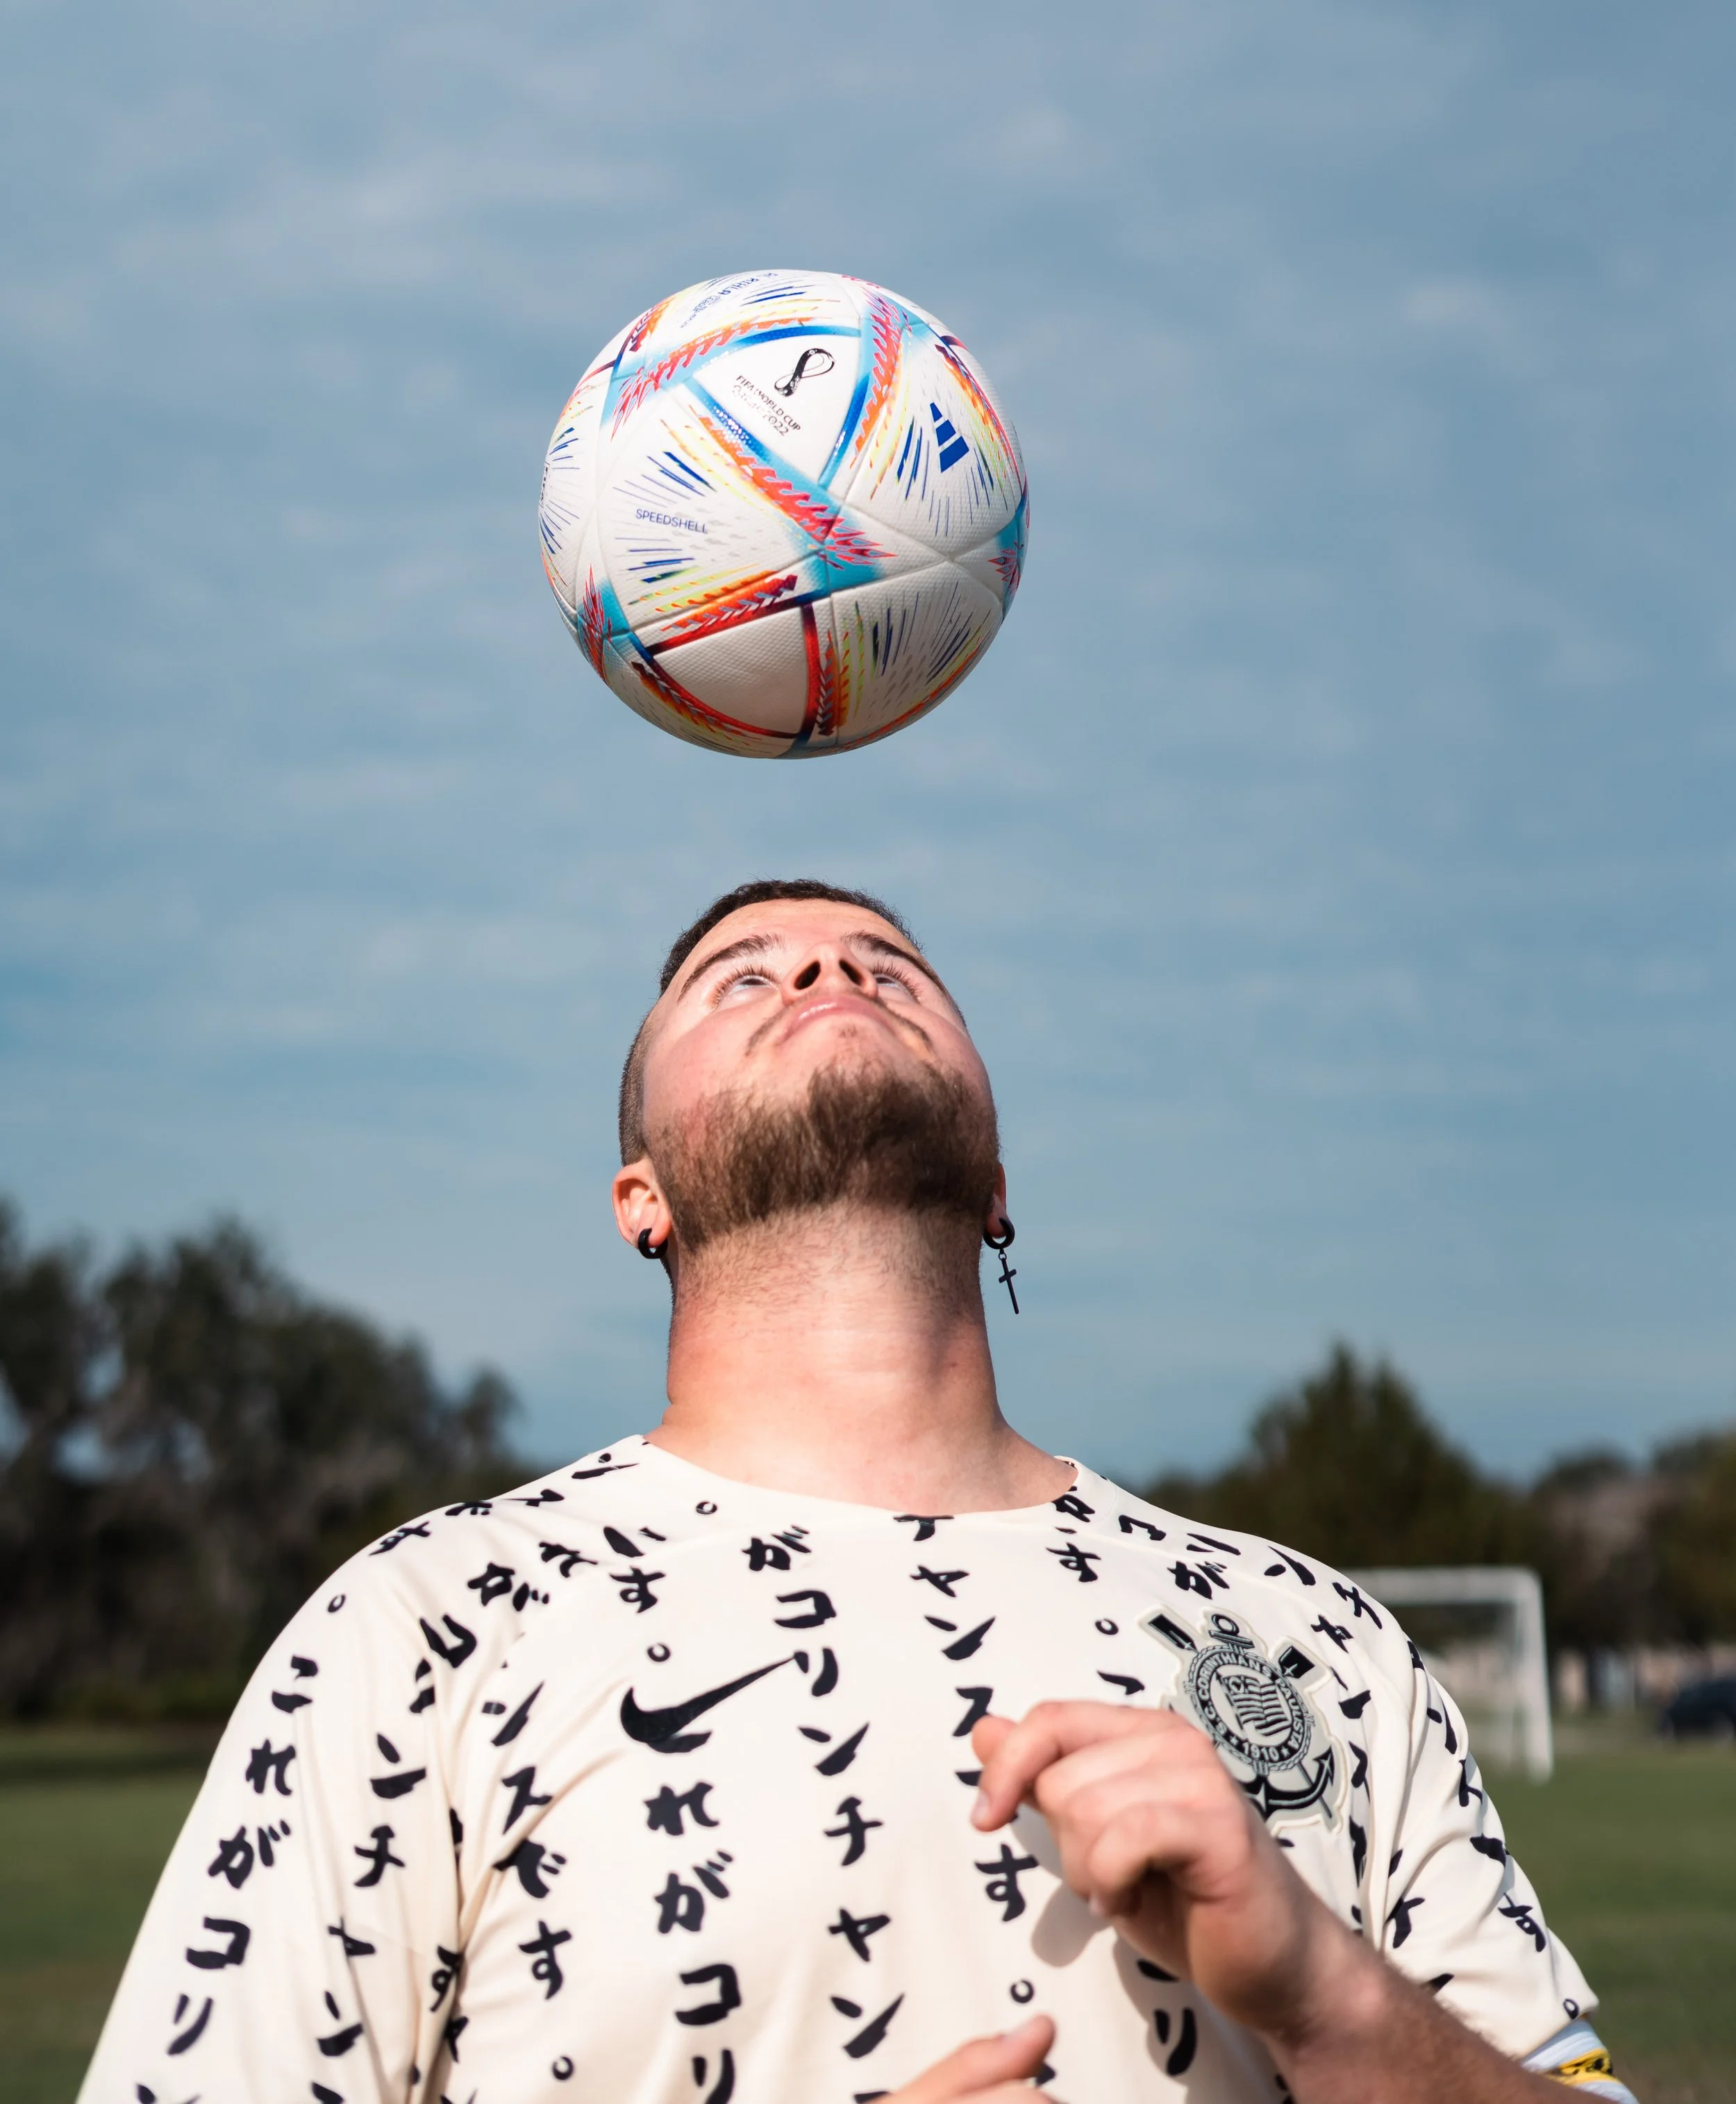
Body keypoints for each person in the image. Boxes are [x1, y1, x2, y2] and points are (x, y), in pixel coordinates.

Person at [82, 878, 1634, 2104]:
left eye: (891, 967)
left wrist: (1321, 1993)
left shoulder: (1310, 1639)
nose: (829, 972)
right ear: (642, 1195)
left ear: (1001, 1169)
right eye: (739, 977)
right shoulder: (418, 1629)